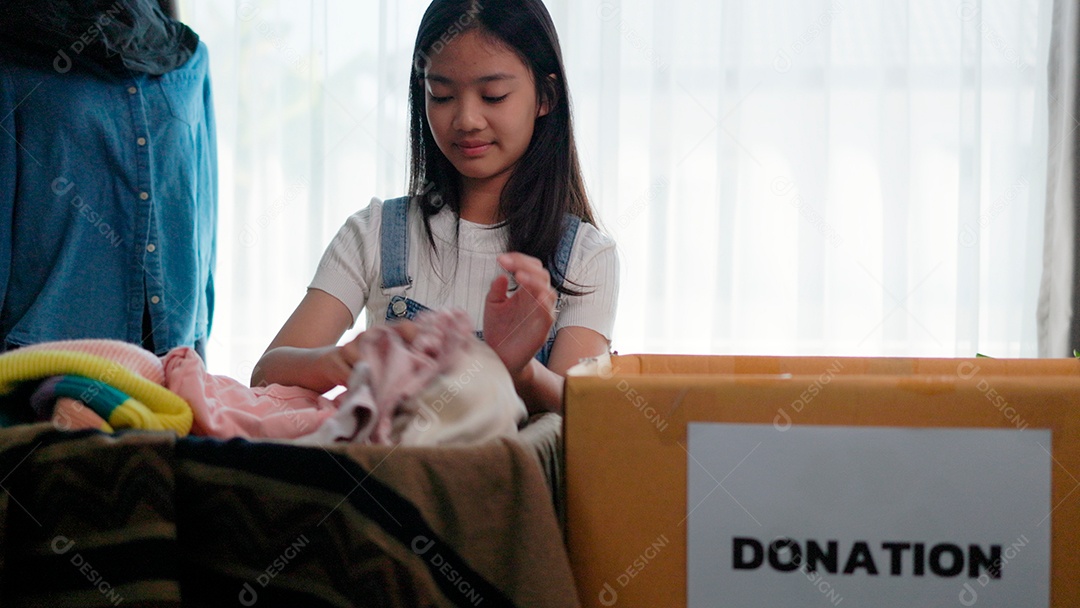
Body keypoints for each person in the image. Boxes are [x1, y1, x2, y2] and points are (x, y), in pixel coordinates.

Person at [253, 0, 619, 415]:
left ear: (545, 97)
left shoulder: (585, 258)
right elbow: (266, 374)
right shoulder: (374, 233)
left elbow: (581, 413)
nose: (466, 119)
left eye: (493, 96)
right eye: (441, 96)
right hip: (393, 460)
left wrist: (519, 370)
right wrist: (343, 360)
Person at [0, 0, 217, 359]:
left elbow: (203, 212)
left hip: (170, 353)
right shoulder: (15, 56)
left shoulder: (190, 59)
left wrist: (197, 341)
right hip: (44, 356)